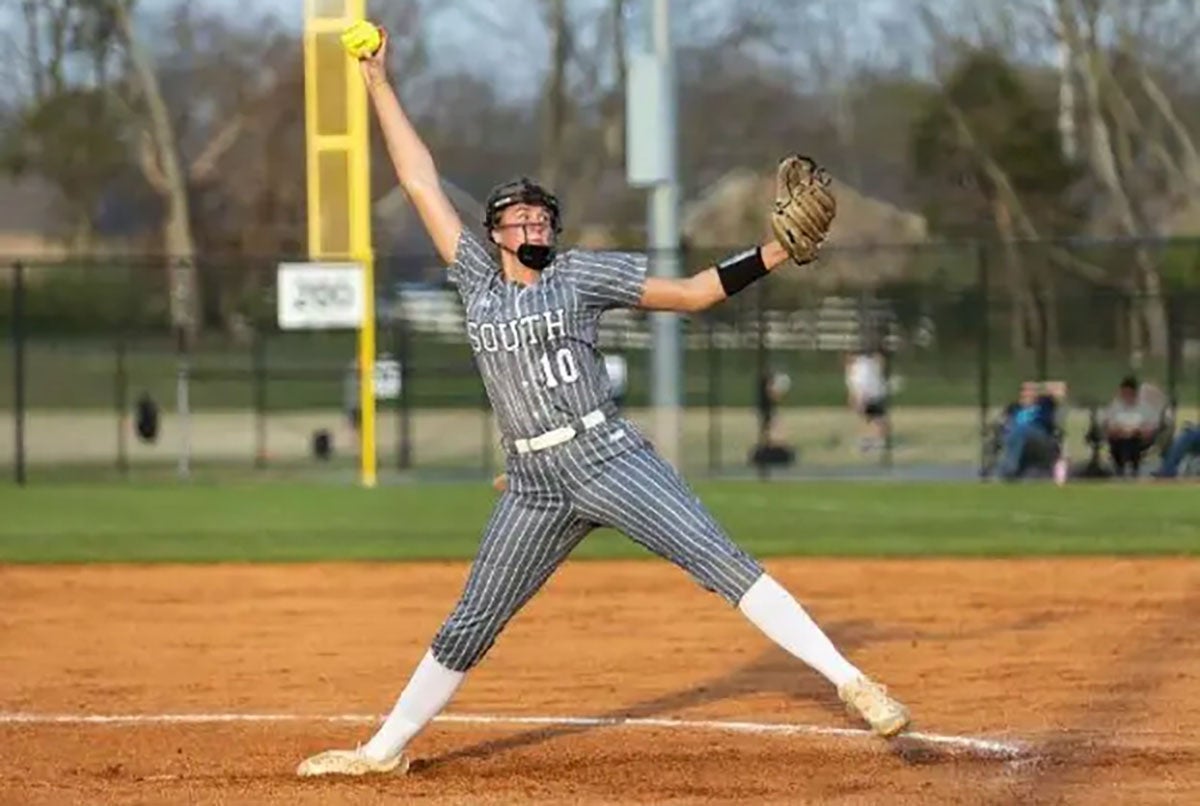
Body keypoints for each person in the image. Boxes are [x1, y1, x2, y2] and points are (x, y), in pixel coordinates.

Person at [297, 22, 910, 778]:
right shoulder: (476, 283)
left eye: (541, 215)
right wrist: (377, 83)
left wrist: (775, 251)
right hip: (532, 483)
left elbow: (692, 294)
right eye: (518, 216)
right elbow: (420, 179)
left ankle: (854, 684)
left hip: (608, 457)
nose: (533, 222)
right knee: (472, 620)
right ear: (493, 233)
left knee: (719, 559)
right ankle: (381, 752)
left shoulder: (579, 275)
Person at [996, 382, 1060, 480]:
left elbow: (1060, 390)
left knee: (1021, 430)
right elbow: (1005, 423)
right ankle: (1008, 468)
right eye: (1025, 391)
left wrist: (1042, 389)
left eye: (1032, 391)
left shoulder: (1044, 406)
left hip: (1040, 436)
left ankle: (1009, 469)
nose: (1028, 394)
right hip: (1016, 437)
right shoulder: (1015, 408)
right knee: (1014, 432)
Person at [1100, 376, 1159, 477]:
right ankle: (1125, 467)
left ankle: (1127, 467)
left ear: (1135, 393)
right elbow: (1108, 428)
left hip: (1138, 439)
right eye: (1124, 393)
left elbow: (1151, 430)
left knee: (1131, 442)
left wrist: (1137, 431)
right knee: (1123, 443)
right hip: (1118, 439)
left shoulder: (1145, 409)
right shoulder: (1114, 408)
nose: (1127, 396)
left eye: (1129, 393)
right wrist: (1120, 431)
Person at [843, 349, 889, 453]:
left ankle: (878, 441)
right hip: (867, 395)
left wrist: (859, 398)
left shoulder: (862, 364)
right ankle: (875, 439)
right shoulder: (851, 372)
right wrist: (853, 399)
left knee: (878, 418)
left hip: (874, 394)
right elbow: (853, 387)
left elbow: (879, 360)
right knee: (872, 418)